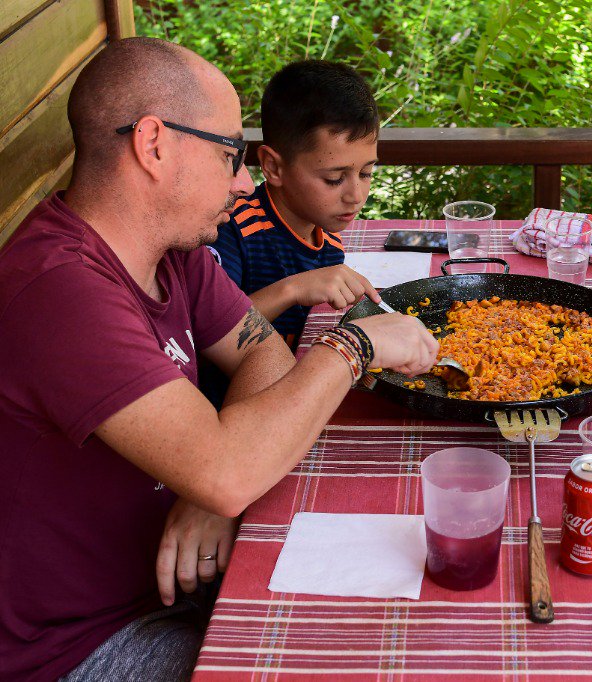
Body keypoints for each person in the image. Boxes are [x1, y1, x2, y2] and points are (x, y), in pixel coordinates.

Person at [0, 37, 438, 681]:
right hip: (80, 644)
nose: (242, 182)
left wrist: (210, 487)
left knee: (396, 622)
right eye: (229, 152)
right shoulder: (60, 288)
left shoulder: (170, 249)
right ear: (154, 145)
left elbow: (262, 355)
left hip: (181, 577)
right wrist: (356, 344)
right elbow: (231, 467)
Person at [208, 60, 382, 350]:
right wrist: (294, 288)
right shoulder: (232, 228)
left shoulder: (326, 236)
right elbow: (209, 333)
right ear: (274, 167)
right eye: (334, 178)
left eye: (365, 173)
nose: (355, 195)